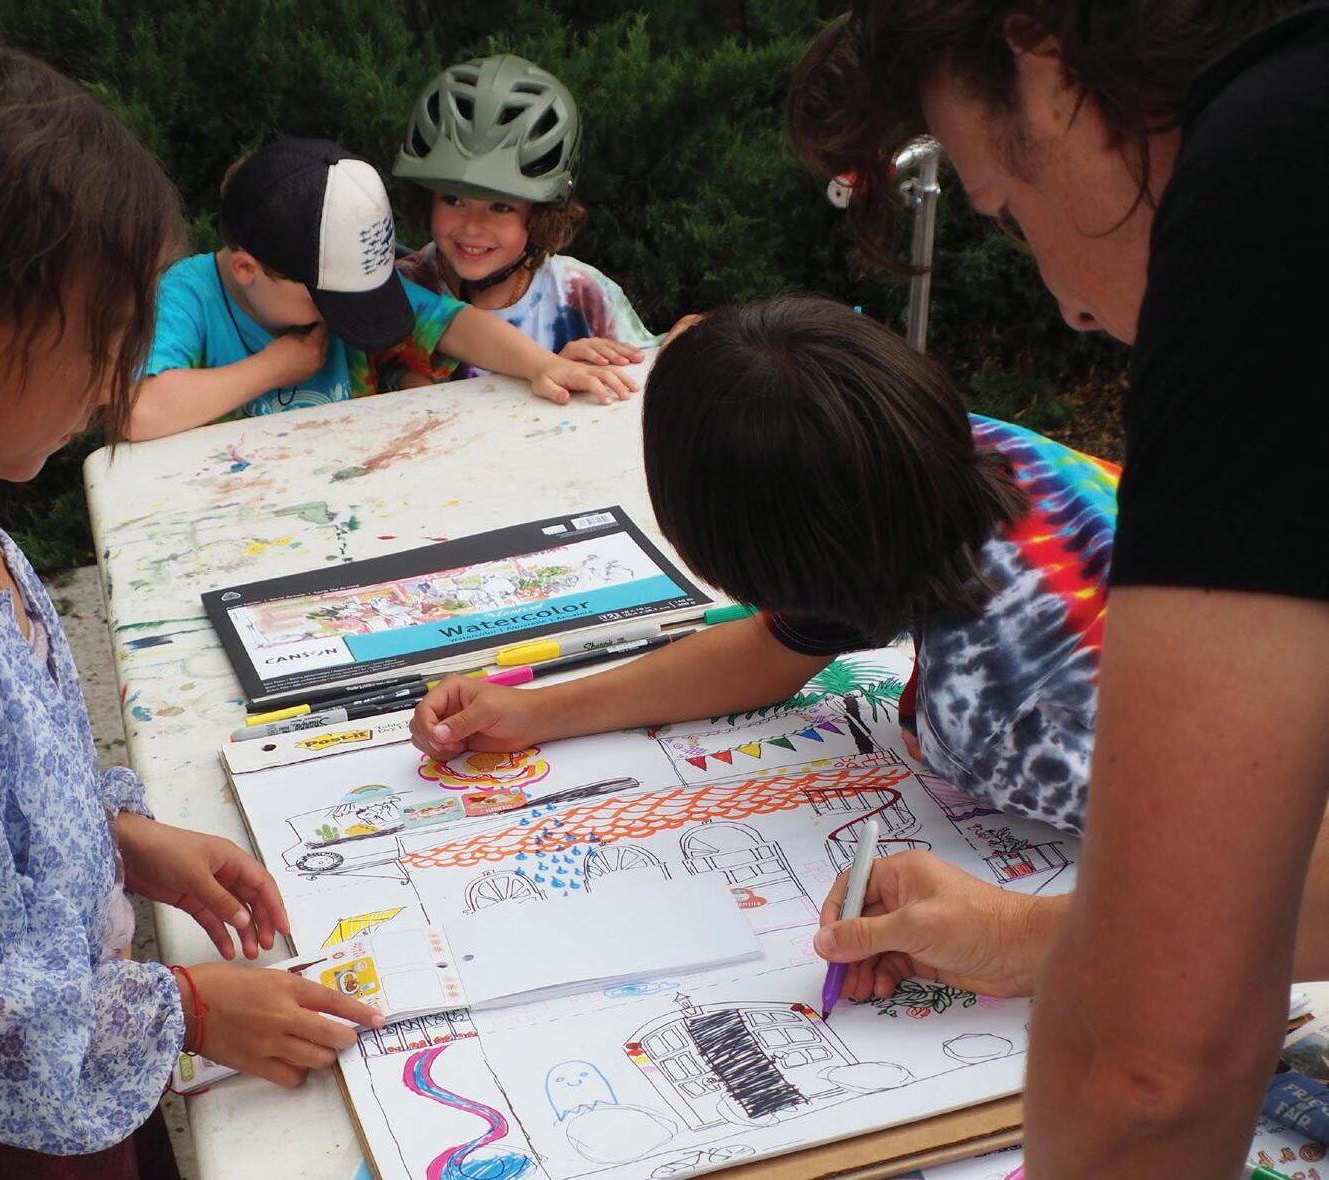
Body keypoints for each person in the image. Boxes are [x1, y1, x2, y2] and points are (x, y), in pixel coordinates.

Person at [784, 3, 1329, 1175]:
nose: (1068, 303)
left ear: (1043, 60)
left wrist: (1102, 972)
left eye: (1007, 209)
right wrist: (1028, 932)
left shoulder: (1271, 184)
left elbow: (1152, 1067)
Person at [0, 44, 383, 1178]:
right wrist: (187, 1008)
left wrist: (119, 836)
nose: (111, 386)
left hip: (74, 1053)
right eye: (100, 344)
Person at [410, 295, 1118, 840]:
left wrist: (996, 927)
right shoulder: (934, 458)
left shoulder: (995, 717)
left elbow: (1182, 893)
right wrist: (534, 711)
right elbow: (768, 653)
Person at [128, 136, 635, 440]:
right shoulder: (187, 295)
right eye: (329, 300)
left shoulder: (336, 276)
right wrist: (274, 368)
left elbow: (454, 324)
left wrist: (541, 365)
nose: (342, 315)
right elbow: (136, 413)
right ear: (246, 268)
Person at [393, 53, 676, 376]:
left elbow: (652, 377)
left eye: (500, 207)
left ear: (542, 214)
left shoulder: (580, 293)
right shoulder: (397, 293)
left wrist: (690, 333)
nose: (472, 227)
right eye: (453, 200)